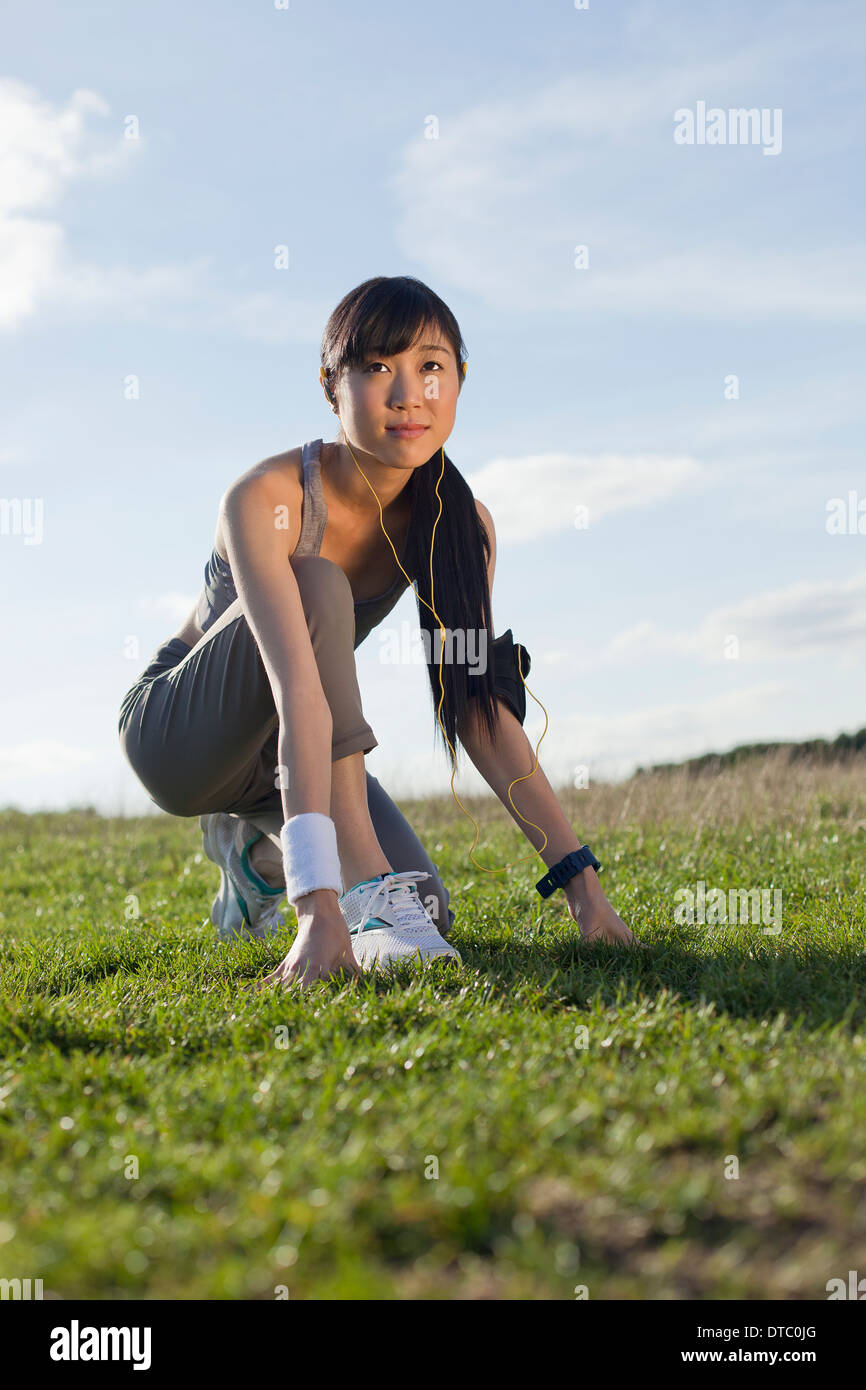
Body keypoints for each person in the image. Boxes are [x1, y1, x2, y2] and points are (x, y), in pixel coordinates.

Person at [118, 275, 638, 990]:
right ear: (331, 386)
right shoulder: (268, 498)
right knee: (319, 580)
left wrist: (583, 888)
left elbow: (481, 713)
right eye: (377, 368)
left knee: (423, 908)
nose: (408, 393)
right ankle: (303, 884)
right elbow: (299, 690)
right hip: (181, 739)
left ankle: (255, 863)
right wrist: (319, 907)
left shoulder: (461, 526)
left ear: (459, 380)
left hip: (285, 750)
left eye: (430, 366)